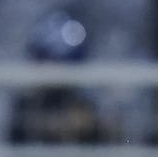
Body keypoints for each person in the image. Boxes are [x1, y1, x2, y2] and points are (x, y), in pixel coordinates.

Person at [6, 9, 113, 145]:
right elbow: (16, 142)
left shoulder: (85, 103)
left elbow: (102, 138)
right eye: (45, 60)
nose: (51, 69)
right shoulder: (27, 104)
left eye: (54, 61)